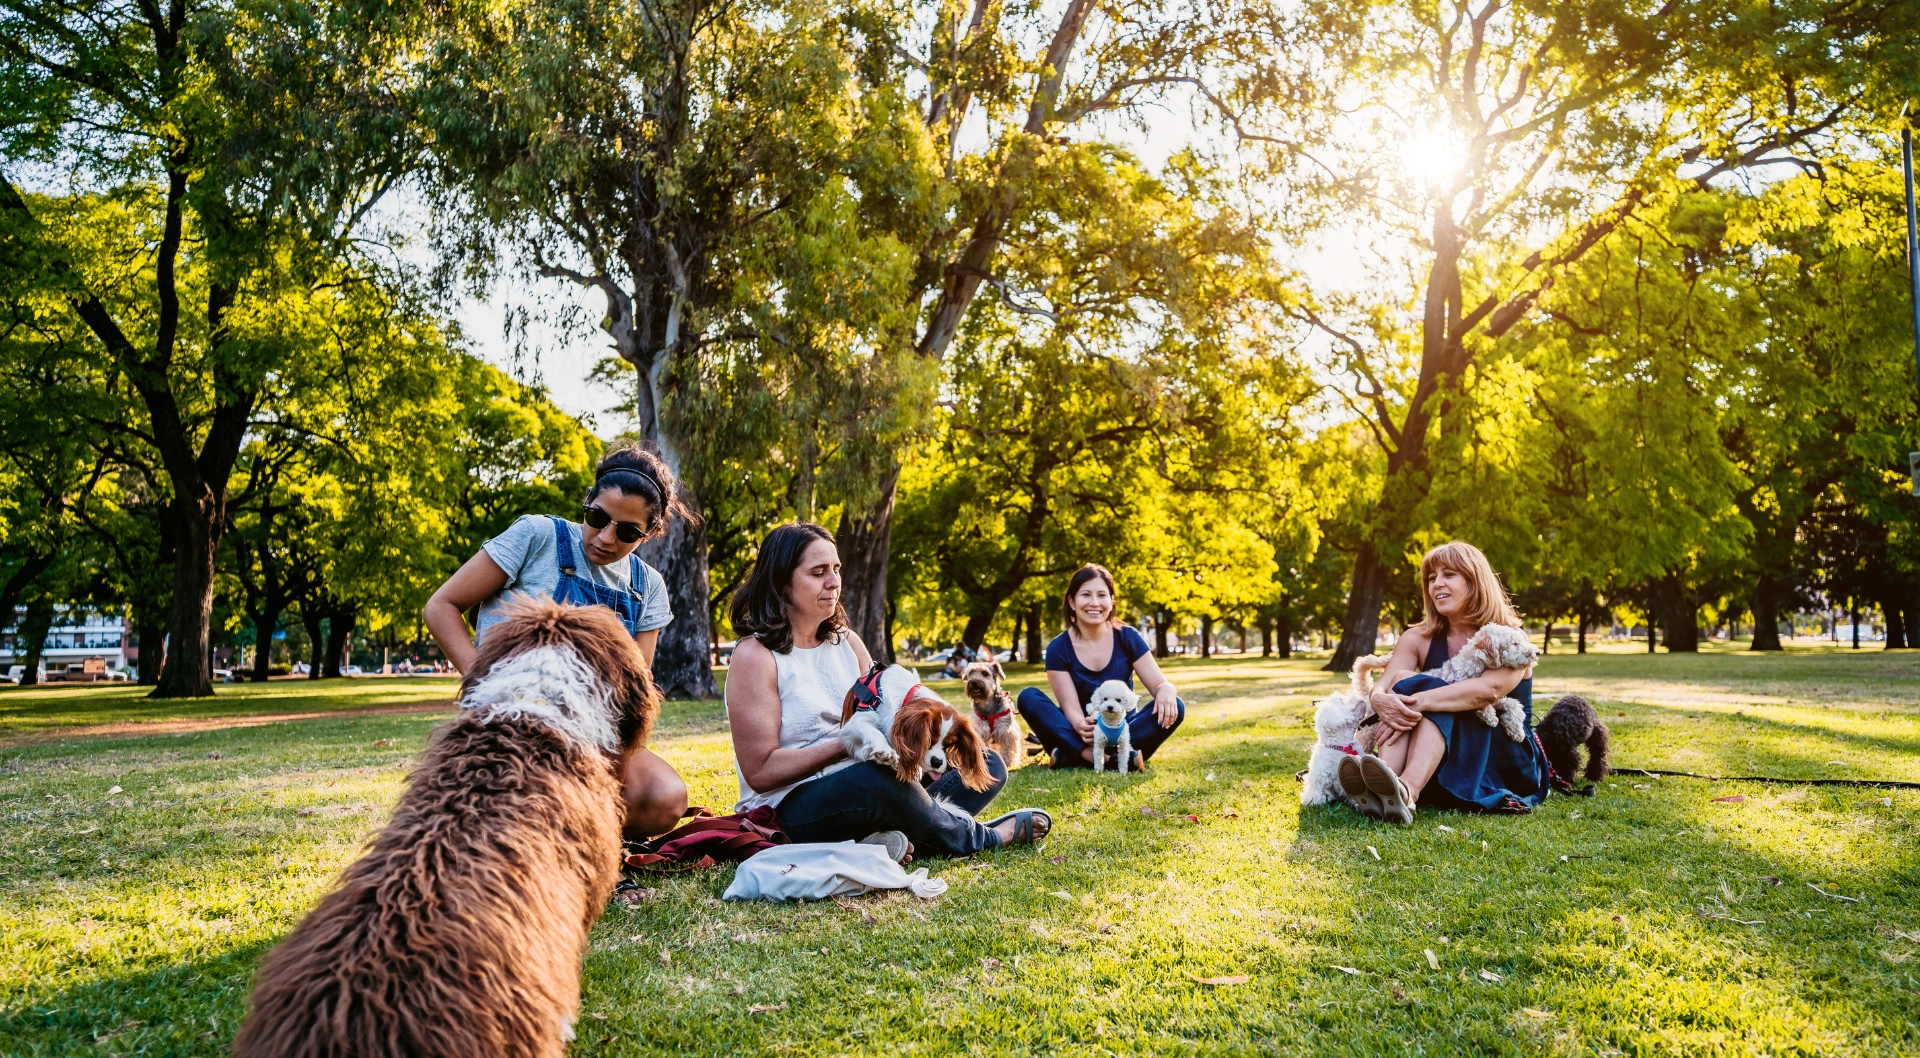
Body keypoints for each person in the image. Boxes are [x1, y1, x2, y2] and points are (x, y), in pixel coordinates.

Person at [422, 442, 695, 840]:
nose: (605, 537)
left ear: (651, 532)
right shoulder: (537, 536)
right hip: (512, 718)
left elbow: (628, 697)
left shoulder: (647, 587)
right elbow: (441, 606)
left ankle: (590, 843)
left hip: (589, 731)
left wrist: (603, 773)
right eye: (596, 516)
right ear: (586, 501)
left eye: (627, 531)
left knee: (664, 796)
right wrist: (482, 683)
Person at [726, 522, 1050, 856]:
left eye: (836, 569)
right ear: (781, 582)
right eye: (818, 572)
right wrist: (847, 744)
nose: (834, 582)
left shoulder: (847, 643)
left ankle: (883, 842)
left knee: (987, 763)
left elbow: (886, 712)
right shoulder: (756, 655)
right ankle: (984, 837)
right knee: (879, 782)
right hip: (790, 809)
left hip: (866, 784)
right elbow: (761, 772)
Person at [1353, 540, 1548, 822]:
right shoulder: (1417, 638)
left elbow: (1487, 691)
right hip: (1444, 750)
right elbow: (1386, 683)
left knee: (1429, 691)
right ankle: (1384, 784)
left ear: (1474, 581)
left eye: (1448, 575)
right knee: (1404, 680)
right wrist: (1380, 700)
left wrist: (1414, 702)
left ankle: (1406, 790)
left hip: (1502, 755)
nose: (1436, 584)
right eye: (1432, 578)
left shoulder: (1508, 638)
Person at [1016, 564, 1184, 770]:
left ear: (1111, 601)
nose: (1094, 603)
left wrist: (1167, 689)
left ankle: (1073, 756)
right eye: (1086, 595)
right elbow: (1070, 707)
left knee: (1176, 705)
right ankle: (1093, 755)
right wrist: (1080, 725)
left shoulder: (1128, 637)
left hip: (1122, 730)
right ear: (1072, 601)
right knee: (1028, 697)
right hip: (1079, 733)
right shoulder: (1058, 648)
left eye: (1102, 595)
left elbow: (1159, 685)